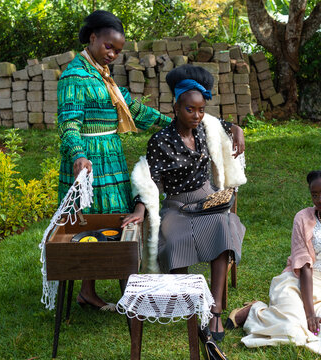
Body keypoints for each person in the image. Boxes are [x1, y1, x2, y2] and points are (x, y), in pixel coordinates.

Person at [57, 10, 172, 311]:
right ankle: (91, 290)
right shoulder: (74, 76)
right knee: (89, 224)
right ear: (93, 38)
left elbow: (134, 109)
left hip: (112, 159)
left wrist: (172, 123)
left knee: (114, 221)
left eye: (118, 51)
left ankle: (114, 290)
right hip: (90, 164)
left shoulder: (101, 75)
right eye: (109, 47)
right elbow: (69, 123)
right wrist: (78, 155)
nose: (113, 54)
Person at [122, 64, 247, 342]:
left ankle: (213, 309)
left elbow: (221, 124)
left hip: (207, 198)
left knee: (223, 227)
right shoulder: (160, 141)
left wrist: (236, 128)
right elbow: (150, 179)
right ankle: (187, 301)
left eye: (201, 109)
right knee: (174, 238)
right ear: (176, 107)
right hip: (177, 205)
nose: (197, 115)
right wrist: (141, 209)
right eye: (190, 109)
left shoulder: (204, 128)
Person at [226, 168, 321, 358]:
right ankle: (254, 311)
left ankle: (279, 313)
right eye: (315, 195)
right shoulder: (303, 218)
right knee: (292, 331)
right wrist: (310, 314)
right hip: (294, 283)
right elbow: (305, 267)